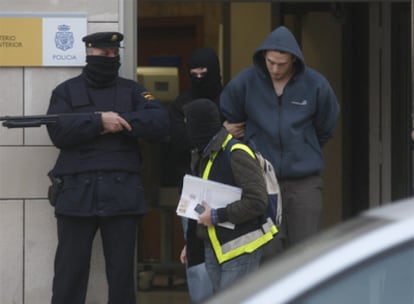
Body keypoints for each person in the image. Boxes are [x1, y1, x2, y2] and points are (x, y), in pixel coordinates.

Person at [46, 31, 170, 304]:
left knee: (122, 278)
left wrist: (121, 121)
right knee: (69, 276)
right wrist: (98, 122)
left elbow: (160, 122)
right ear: (90, 53)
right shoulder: (66, 91)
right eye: (104, 54)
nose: (110, 59)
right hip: (77, 195)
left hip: (121, 195)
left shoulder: (133, 90)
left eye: (115, 54)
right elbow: (58, 132)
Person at [220, 26, 340, 249]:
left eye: (281, 64)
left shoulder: (315, 84)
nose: (275, 69)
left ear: (293, 59)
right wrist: (227, 129)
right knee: (267, 251)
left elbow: (327, 124)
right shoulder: (246, 81)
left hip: (303, 180)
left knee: (305, 250)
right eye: (270, 62)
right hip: (260, 179)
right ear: (263, 57)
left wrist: (306, 146)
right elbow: (226, 111)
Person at [182, 98, 277, 293]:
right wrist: (191, 244)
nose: (186, 129)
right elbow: (200, 203)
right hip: (215, 247)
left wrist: (217, 216)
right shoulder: (204, 154)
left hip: (241, 246)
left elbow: (257, 201)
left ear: (200, 125)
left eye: (188, 123)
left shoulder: (236, 153)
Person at [169, 47, 222, 303]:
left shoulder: (231, 98)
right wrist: (223, 129)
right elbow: (177, 141)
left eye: (205, 72)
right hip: (192, 187)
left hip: (229, 185)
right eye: (194, 72)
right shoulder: (181, 103)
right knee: (196, 251)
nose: (199, 77)